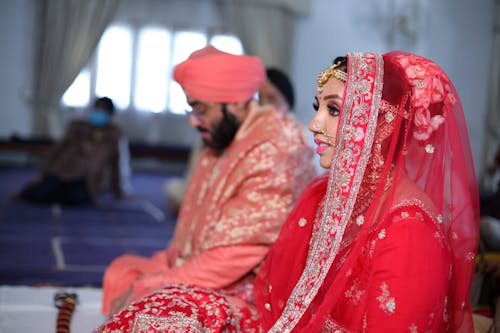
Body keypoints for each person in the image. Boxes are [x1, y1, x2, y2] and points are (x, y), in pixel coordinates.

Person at [94, 51, 479, 332]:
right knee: (163, 310)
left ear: (379, 123)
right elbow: (284, 303)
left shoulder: (409, 225)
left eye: (333, 110)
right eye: (318, 108)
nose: (312, 124)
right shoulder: (327, 197)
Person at [100, 45, 316, 316]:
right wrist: (165, 270)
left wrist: (154, 285)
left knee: (157, 309)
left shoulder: (274, 150)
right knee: (123, 273)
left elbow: (235, 255)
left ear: (236, 102)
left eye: (201, 110)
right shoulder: (223, 137)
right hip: (206, 263)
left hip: (255, 286)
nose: (193, 121)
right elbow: (190, 226)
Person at [163, 66, 303, 214]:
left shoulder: (299, 138)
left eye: (272, 98)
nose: (265, 106)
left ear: (288, 102)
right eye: (260, 99)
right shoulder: (239, 133)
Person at [17, 97, 132, 205]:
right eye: (96, 109)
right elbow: (57, 150)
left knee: (76, 198)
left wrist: (118, 192)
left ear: (109, 115)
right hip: (61, 172)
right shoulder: (77, 128)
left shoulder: (112, 138)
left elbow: (115, 167)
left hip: (85, 180)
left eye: (102, 110)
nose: (98, 112)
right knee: (40, 193)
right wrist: (42, 175)